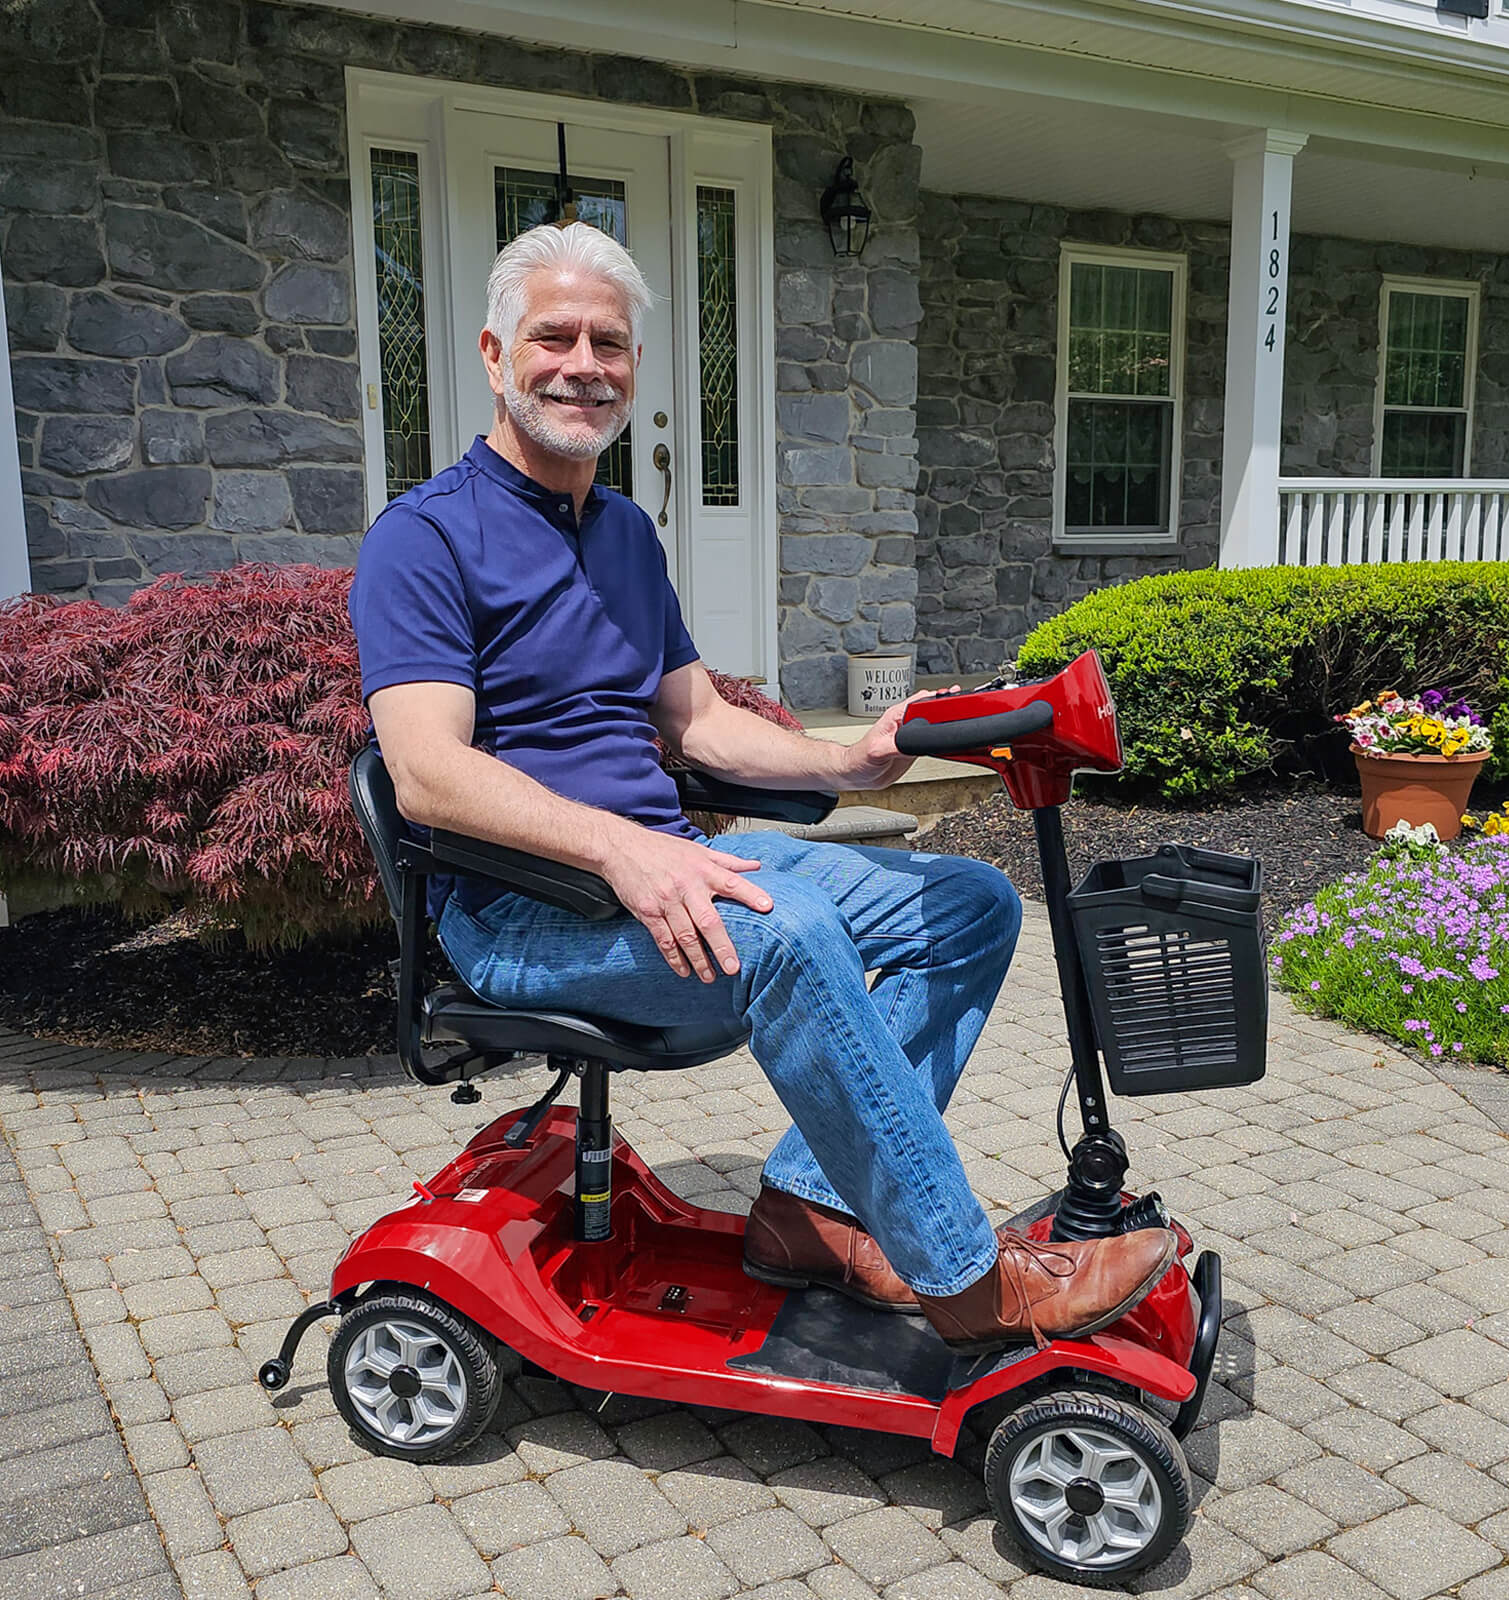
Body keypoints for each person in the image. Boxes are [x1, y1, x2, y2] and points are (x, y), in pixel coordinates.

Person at [349, 222, 1174, 1351]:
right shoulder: (422, 539)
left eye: (610, 342)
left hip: (665, 863)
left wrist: (853, 760)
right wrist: (623, 850)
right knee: (789, 936)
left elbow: (695, 722)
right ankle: (967, 1280)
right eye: (553, 336)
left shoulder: (626, 533)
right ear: (495, 355)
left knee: (967, 905)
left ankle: (806, 1208)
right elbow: (429, 776)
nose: (583, 363)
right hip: (528, 912)